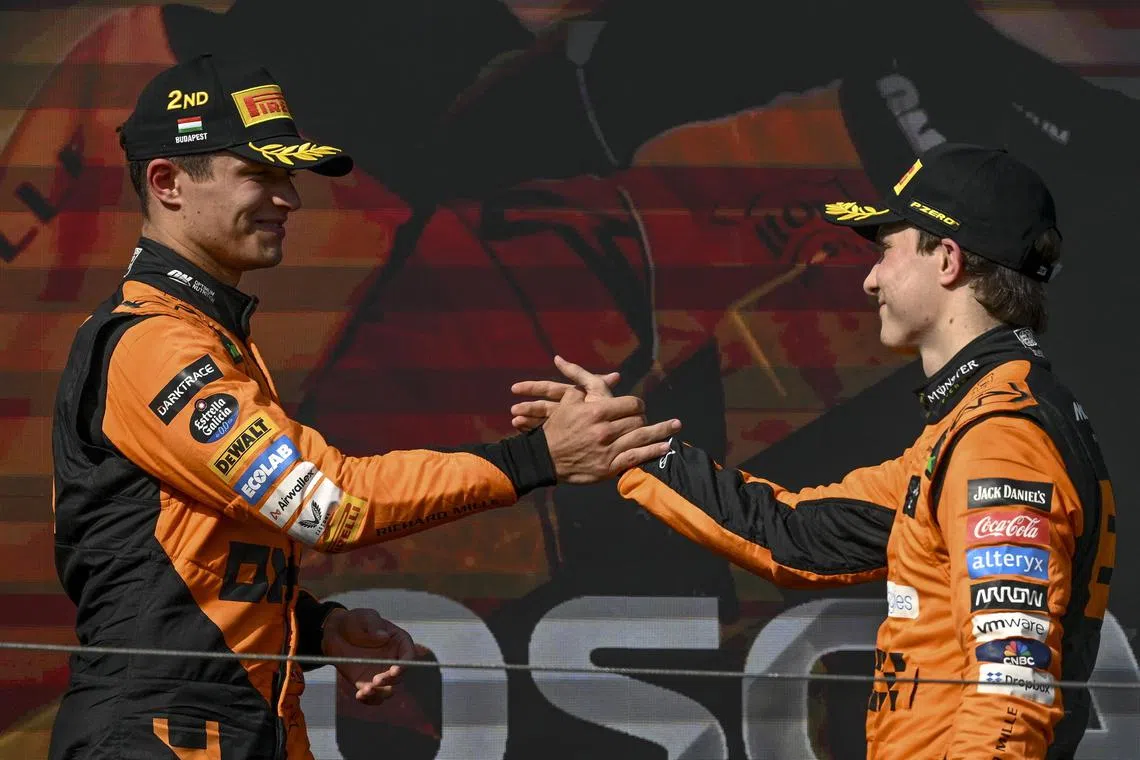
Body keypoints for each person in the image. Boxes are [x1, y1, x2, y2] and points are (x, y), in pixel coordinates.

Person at [48, 53, 679, 760]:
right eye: (259, 174)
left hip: (230, 728)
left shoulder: (206, 334)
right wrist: (537, 457)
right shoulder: (156, 345)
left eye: (288, 176)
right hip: (154, 736)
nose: (288, 198)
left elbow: (189, 556)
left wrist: (314, 629)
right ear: (167, 182)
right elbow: (324, 505)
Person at [510, 142, 1117, 759]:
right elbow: (795, 534)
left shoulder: (1001, 439)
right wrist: (626, 444)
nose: (871, 278)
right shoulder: (973, 428)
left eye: (886, 250)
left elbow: (1010, 690)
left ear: (947, 259)